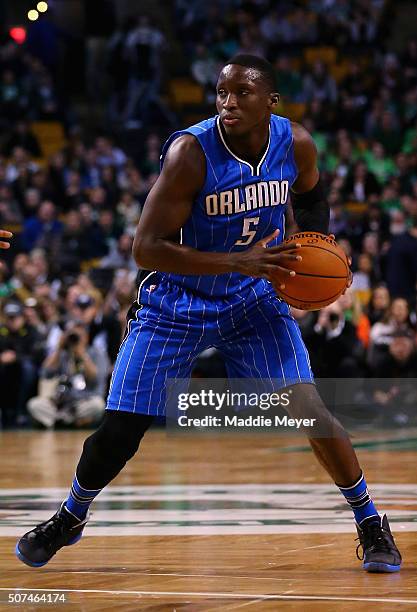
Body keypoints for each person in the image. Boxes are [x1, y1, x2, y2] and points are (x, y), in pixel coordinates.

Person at [16, 55, 401, 573]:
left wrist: (314, 247)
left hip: (253, 298)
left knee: (310, 409)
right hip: (176, 300)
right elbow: (146, 248)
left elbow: (313, 199)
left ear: (271, 102)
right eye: (222, 93)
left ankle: (370, 521)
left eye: (242, 93)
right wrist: (237, 260)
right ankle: (71, 515)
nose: (229, 103)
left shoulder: (297, 143)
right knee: (121, 430)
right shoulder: (190, 154)